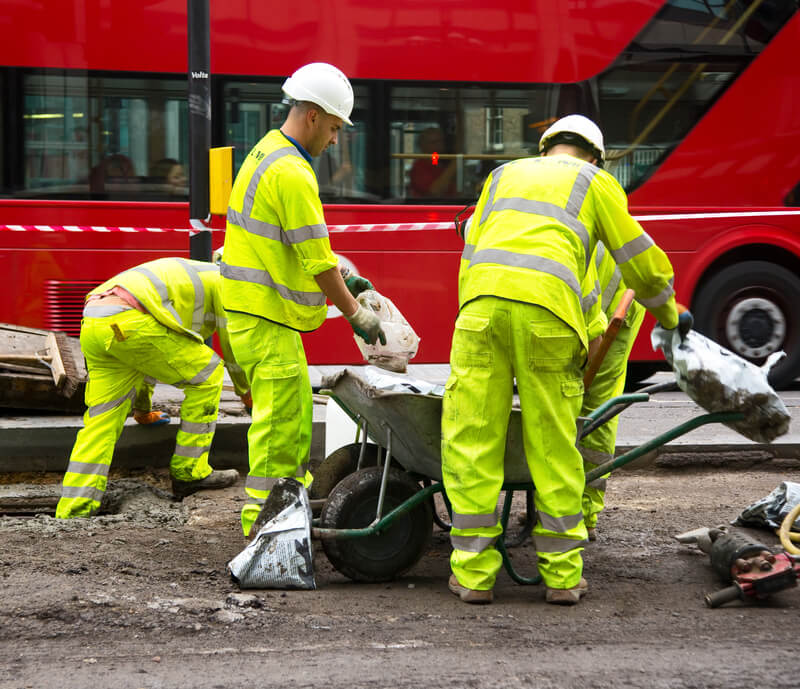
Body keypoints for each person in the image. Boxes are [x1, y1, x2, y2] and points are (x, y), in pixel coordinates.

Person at [441, 114, 692, 606]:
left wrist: (474, 318)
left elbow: (470, 253)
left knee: (472, 440)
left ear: (545, 149)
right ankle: (561, 577)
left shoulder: (501, 176)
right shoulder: (596, 182)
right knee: (554, 443)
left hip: (479, 311)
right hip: (548, 318)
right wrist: (667, 312)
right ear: (596, 158)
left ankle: (472, 576)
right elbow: (639, 258)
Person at [220, 62, 385, 537]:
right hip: (265, 320)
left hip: (258, 316)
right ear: (312, 116)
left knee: (289, 428)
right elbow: (315, 259)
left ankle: (283, 518)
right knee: (280, 433)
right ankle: (265, 532)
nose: (335, 140)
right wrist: (355, 314)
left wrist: (344, 279)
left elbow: (293, 249)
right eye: (334, 128)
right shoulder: (292, 171)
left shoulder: (266, 153)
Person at [55, 257, 250, 519]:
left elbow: (150, 360)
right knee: (208, 374)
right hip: (129, 322)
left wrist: (142, 410)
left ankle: (73, 510)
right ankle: (190, 472)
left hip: (96, 322)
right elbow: (232, 347)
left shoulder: (186, 279)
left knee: (101, 421)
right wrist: (245, 391)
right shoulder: (225, 284)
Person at [579, 244, 645, 542]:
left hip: (615, 309)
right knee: (580, 408)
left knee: (595, 412)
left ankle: (583, 512)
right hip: (606, 304)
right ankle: (569, 508)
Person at [408, 126, 457, 198]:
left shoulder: (437, 162)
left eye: (441, 141)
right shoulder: (419, 167)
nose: (439, 145)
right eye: (434, 142)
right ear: (423, 145)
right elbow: (434, 192)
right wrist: (454, 164)